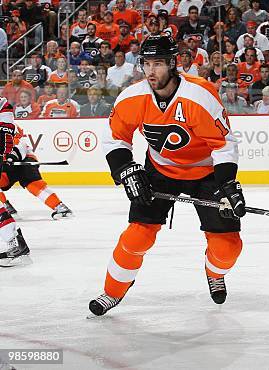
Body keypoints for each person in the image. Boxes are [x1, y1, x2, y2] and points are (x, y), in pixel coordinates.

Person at [89, 35, 246, 316]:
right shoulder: (132, 97)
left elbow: (223, 145)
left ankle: (215, 272)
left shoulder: (200, 95)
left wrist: (226, 184)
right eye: (146, 64)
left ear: (173, 64)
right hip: (160, 170)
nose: (151, 71)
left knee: (228, 247)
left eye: (158, 64)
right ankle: (111, 292)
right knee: (137, 237)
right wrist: (126, 169)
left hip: (206, 173)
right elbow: (115, 139)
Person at [0, 124, 73, 220]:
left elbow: (20, 145)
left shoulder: (9, 125)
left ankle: (60, 207)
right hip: (5, 166)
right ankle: (5, 208)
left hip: (25, 159)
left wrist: (11, 157)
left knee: (33, 184)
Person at [0, 97, 31, 267]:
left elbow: (6, 132)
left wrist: (5, 155)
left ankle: (14, 242)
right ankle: (15, 241)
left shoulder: (3, 105)